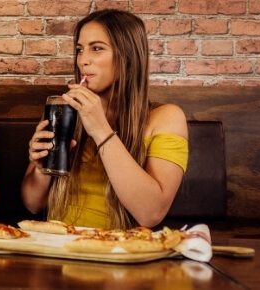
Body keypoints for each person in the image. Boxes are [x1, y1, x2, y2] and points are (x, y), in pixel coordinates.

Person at [21, 9, 188, 230]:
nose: (83, 60)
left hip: (120, 252)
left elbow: (151, 213)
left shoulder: (166, 117)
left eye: (96, 49)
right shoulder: (63, 111)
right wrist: (41, 167)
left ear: (127, 57)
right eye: (80, 50)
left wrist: (100, 128)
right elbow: (33, 204)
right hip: (59, 247)